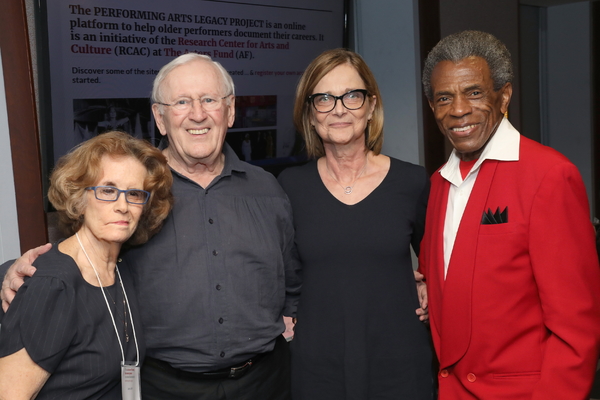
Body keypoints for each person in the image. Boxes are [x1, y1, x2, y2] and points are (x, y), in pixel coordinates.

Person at [1, 53, 300, 400]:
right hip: (164, 387)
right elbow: (83, 257)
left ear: (230, 110)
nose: (198, 114)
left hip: (264, 382)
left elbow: (292, 278)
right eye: (182, 102)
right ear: (160, 117)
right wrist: (16, 272)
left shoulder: (269, 190)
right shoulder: (140, 194)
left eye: (209, 100)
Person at [418, 30, 600, 399]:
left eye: (474, 92)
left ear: (504, 96)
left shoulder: (548, 175)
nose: (457, 110)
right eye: (443, 98)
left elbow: (575, 329)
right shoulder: (438, 183)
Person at [278, 48, 433, 399]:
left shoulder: (413, 181)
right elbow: (281, 273)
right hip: (318, 368)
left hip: (399, 364)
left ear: (371, 105)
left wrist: (429, 289)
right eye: (324, 99)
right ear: (310, 112)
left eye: (351, 96)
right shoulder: (289, 186)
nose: (338, 109)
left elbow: (440, 264)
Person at [0, 131, 173, 399]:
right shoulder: (55, 285)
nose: (123, 206)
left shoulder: (119, 268)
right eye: (108, 190)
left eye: (135, 194)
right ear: (79, 199)